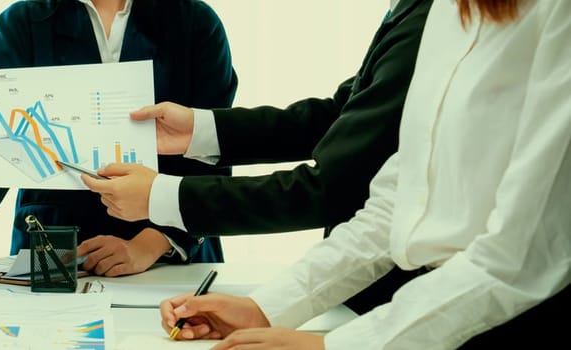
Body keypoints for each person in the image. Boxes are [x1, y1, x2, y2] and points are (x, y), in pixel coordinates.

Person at [151, 0, 571, 348]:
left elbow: (522, 259)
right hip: (425, 318)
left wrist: (337, 346)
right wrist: (264, 308)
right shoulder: (445, 11)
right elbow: (393, 205)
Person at [80, 0, 433, 314]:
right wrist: (201, 129)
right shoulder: (409, 12)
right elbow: (339, 116)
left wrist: (161, 199)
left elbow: (332, 188)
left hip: (398, 297)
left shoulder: (430, 23)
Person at [0, 0, 238, 282]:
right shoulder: (25, 21)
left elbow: (211, 149)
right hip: (55, 242)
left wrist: (148, 245)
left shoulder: (195, 21)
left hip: (170, 246)